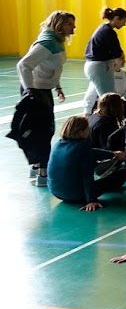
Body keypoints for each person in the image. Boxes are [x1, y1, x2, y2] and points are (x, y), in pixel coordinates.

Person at [14, 11, 75, 185]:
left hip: (43, 90)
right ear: (59, 24)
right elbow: (23, 65)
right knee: (42, 131)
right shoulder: (47, 42)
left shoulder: (56, 41)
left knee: (42, 130)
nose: (74, 27)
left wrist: (57, 86)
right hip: (36, 92)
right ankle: (42, 172)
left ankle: (37, 168)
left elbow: (49, 67)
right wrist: (29, 91)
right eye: (70, 24)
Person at [47, 116, 126, 210]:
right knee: (123, 172)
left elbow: (92, 152)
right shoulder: (83, 147)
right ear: (81, 132)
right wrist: (91, 200)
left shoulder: (58, 144)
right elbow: (87, 176)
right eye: (87, 129)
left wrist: (112, 154)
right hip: (77, 195)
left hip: (56, 192)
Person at [82, 7, 126, 114]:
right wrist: (120, 59)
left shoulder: (103, 29)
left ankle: (89, 113)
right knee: (108, 99)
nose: (124, 25)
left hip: (96, 66)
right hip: (98, 67)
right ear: (117, 18)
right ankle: (105, 119)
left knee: (99, 92)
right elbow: (117, 53)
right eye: (124, 21)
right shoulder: (108, 32)